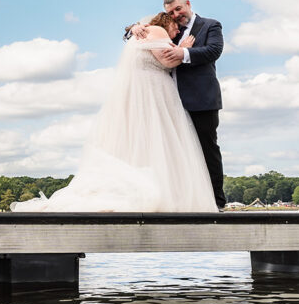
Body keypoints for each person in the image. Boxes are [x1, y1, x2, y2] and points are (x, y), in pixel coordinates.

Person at [11, 12, 217, 212]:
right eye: (175, 28)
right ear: (167, 23)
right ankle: (166, 192)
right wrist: (183, 49)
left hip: (141, 91)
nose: (177, 32)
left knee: (144, 139)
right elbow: (167, 61)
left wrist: (135, 28)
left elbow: (138, 38)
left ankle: (156, 186)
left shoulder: (143, 30)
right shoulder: (157, 30)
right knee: (159, 137)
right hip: (152, 90)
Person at [156, 0, 226, 209]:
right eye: (171, 12)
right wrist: (134, 28)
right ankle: (186, 200)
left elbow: (213, 51)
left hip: (202, 100)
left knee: (207, 150)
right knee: (177, 152)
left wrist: (182, 53)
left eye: (178, 9)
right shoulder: (170, 30)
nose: (176, 15)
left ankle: (217, 202)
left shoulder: (210, 25)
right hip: (172, 102)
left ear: (187, 4)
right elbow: (146, 33)